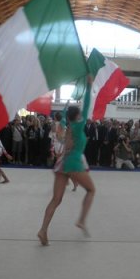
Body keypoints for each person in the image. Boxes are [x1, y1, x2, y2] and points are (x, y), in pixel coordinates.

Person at [37, 76, 95, 246]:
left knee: (56, 200)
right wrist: (89, 86)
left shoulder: (68, 125)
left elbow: (65, 113)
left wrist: (68, 106)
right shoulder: (78, 124)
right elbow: (86, 105)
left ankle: (43, 230)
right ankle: (82, 221)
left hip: (62, 163)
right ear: (77, 116)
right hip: (74, 162)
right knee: (91, 190)